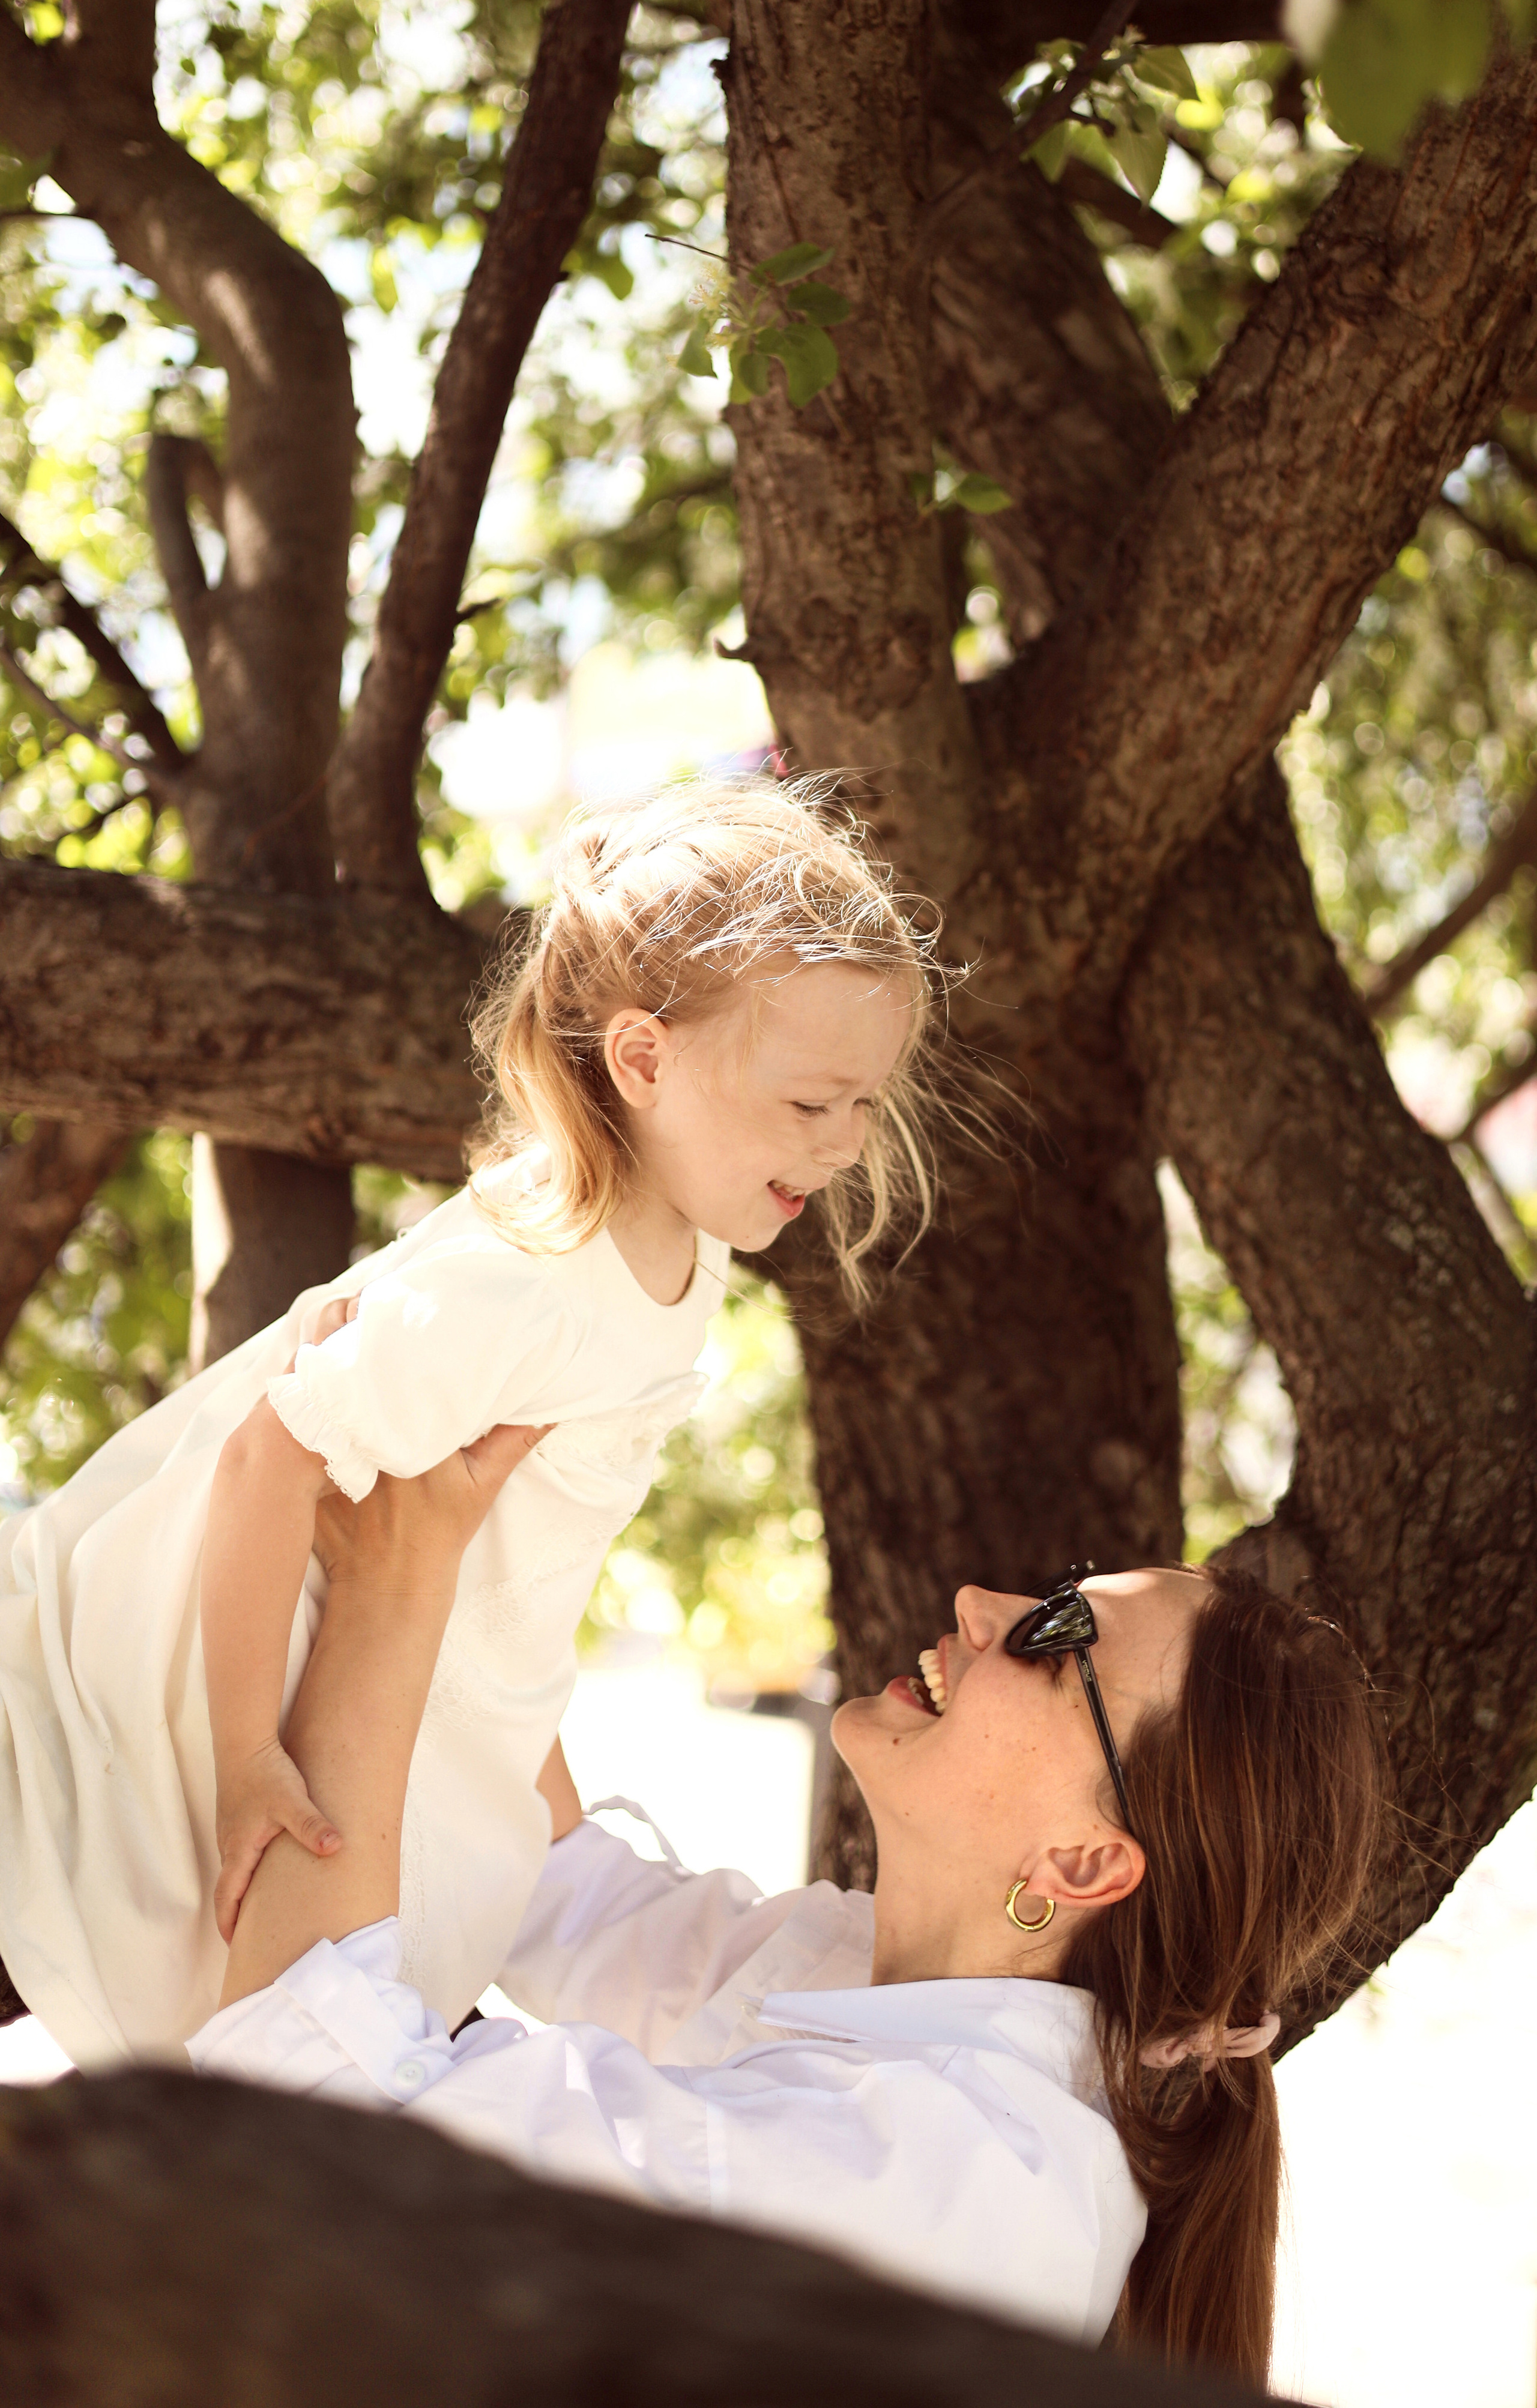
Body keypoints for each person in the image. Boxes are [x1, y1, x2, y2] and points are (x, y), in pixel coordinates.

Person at [0, 778, 943, 2063]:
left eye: (865, 1104)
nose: (840, 1144)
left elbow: (523, 1549)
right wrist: (238, 1757)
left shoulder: (684, 1250)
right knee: (101, 1916)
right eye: (805, 1102)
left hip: (402, 1709)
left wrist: (516, 1750)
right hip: (186, 1695)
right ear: (643, 1057)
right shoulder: (534, 1278)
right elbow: (268, 1453)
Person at [190, 1422, 1385, 2385]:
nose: (980, 1602)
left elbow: (303, 2122)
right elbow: (554, 1882)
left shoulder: (937, 2193)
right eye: (1061, 1587)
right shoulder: (855, 1971)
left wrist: (389, 1586)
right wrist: (480, 1532)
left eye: (1059, 1633)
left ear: (1079, 1863)